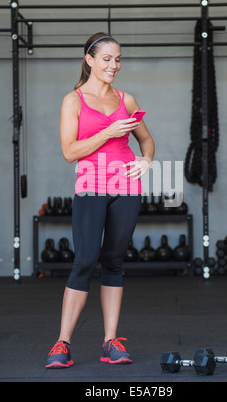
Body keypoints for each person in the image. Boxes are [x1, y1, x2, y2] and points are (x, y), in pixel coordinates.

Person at [46, 32, 155, 368]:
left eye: (118, 59)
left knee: (114, 261)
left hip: (126, 188)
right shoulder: (73, 100)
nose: (114, 65)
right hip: (90, 186)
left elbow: (146, 141)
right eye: (107, 59)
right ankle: (62, 344)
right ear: (89, 60)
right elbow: (69, 152)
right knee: (85, 260)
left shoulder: (127, 99)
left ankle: (111, 341)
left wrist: (145, 161)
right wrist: (107, 132)